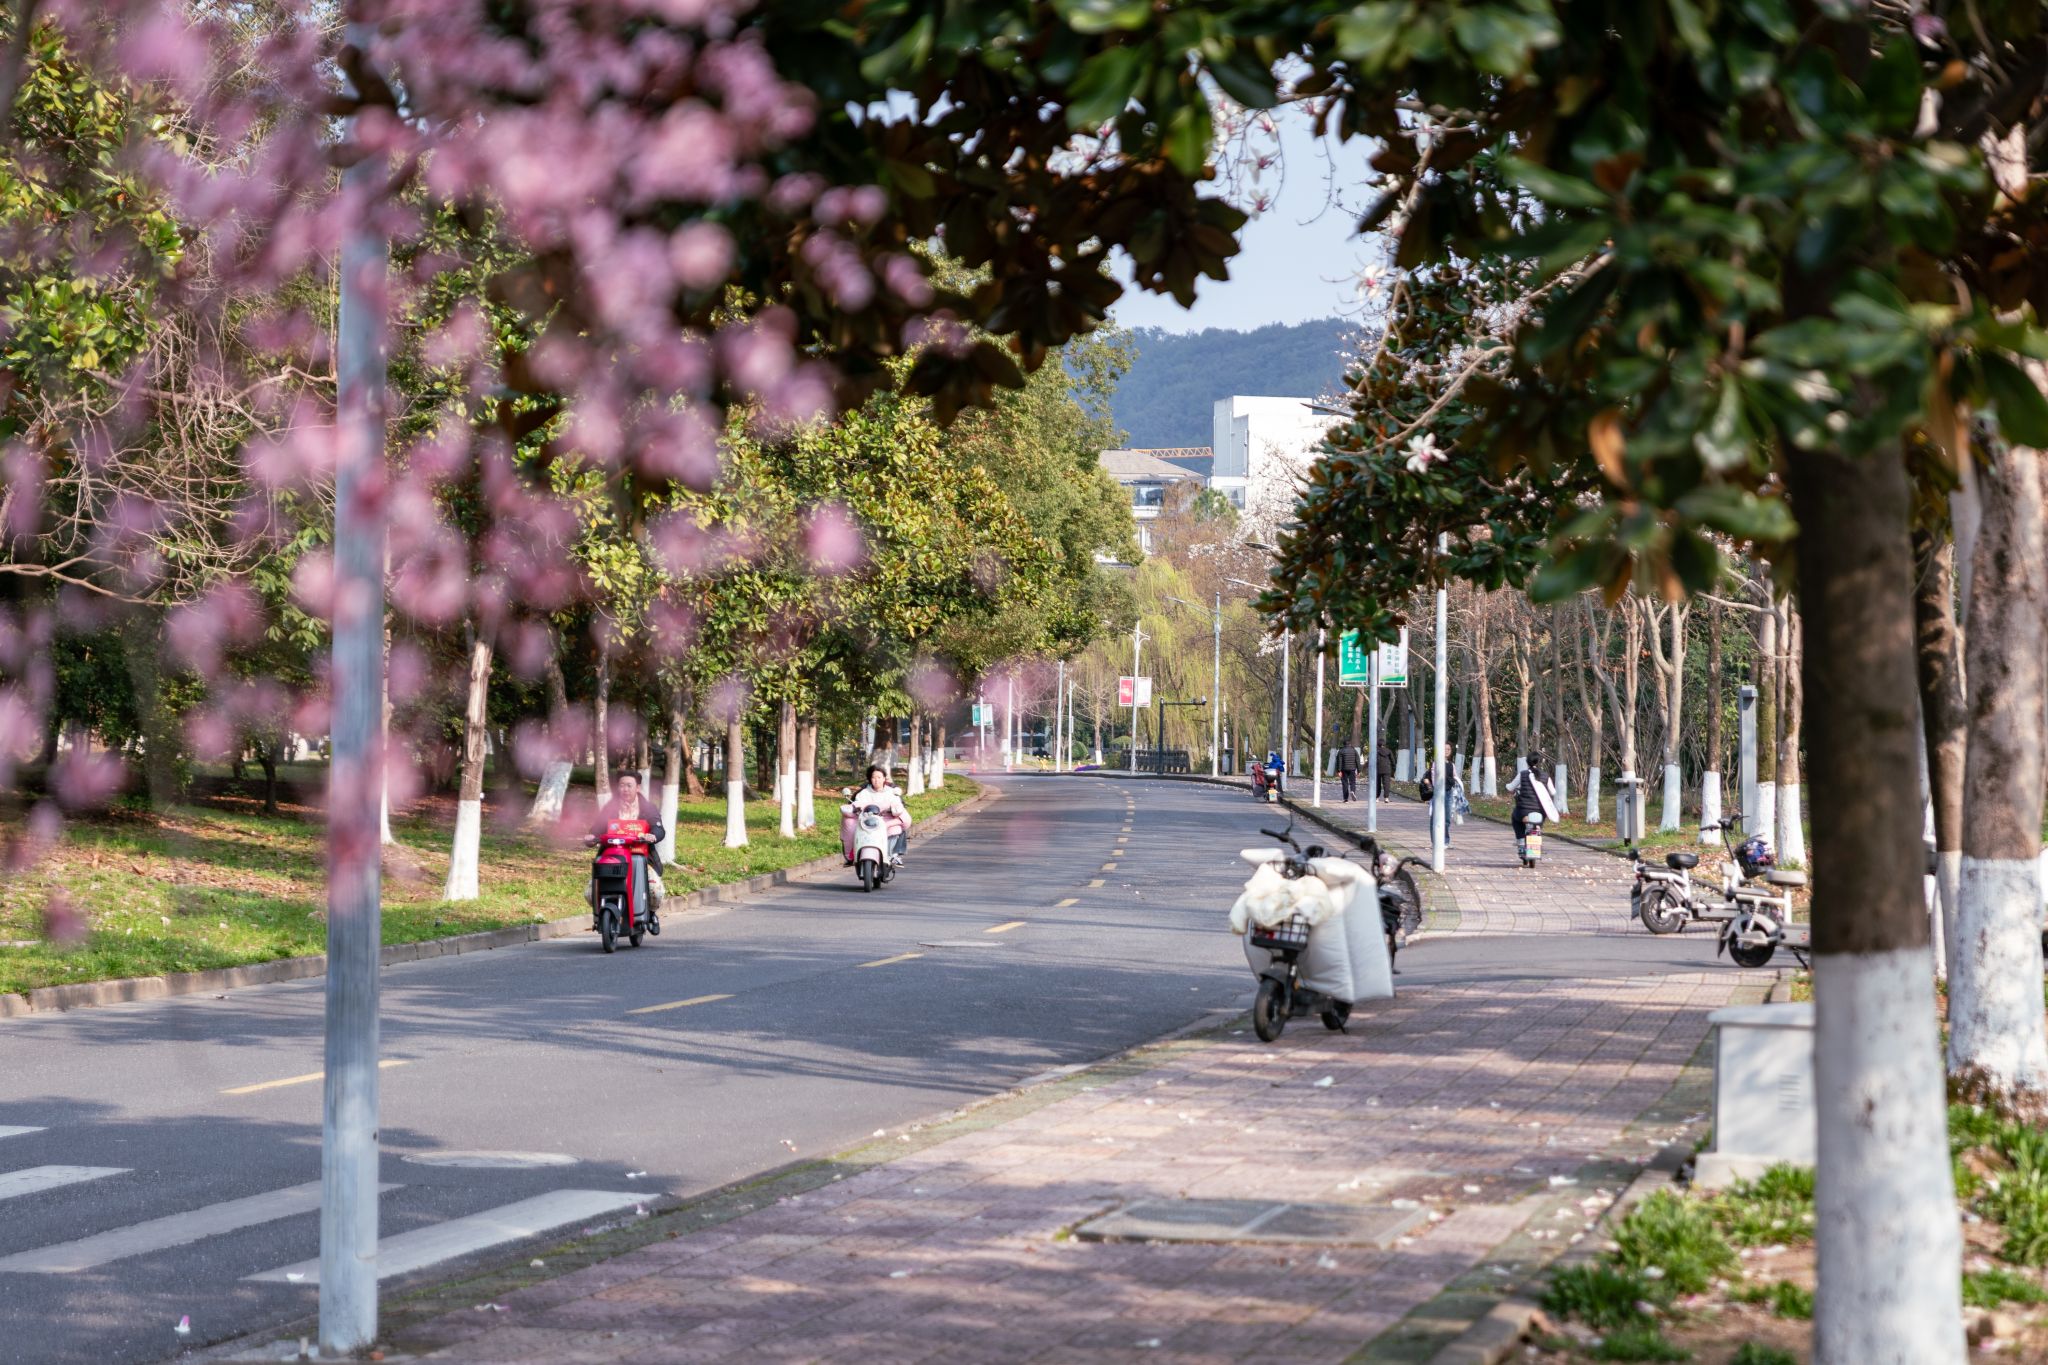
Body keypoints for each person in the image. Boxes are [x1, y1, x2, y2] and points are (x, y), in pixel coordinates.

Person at [586, 772, 667, 913]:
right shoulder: (610, 807)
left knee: (655, 891)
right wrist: (591, 836)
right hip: (612, 857)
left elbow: (658, 828)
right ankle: (601, 916)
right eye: (622, 785)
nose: (625, 789)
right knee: (590, 893)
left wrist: (653, 835)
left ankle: (650, 914)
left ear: (638, 788)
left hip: (641, 858)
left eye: (629, 786)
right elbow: (598, 827)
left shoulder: (648, 808)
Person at [848, 764, 913, 863]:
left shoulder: (891, 792)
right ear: (870, 779)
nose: (876, 780)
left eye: (879, 777)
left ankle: (893, 854)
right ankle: (852, 855)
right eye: (873, 777)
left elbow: (898, 806)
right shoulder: (863, 793)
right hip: (867, 822)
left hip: (888, 821)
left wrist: (893, 810)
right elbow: (856, 804)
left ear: (884, 778)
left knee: (897, 829)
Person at [1506, 754, 1562, 851]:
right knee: (1539, 822)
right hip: (1541, 811)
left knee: (1515, 818)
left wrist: (1507, 786)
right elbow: (1553, 792)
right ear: (1539, 762)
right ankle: (1538, 832)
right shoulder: (1546, 776)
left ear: (1527, 762)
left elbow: (1510, 787)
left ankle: (1520, 840)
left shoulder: (1523, 774)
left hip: (1523, 811)